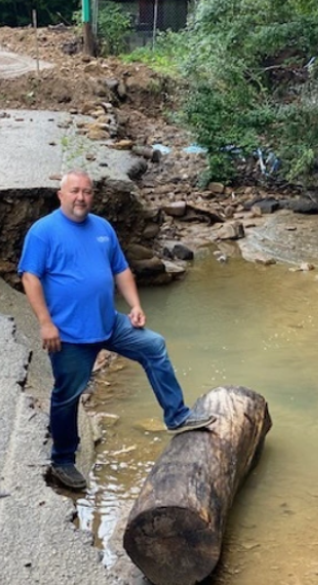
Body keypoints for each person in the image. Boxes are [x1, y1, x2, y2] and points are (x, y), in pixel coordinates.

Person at [18, 169, 215, 491]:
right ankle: (63, 460)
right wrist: (45, 323)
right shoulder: (44, 232)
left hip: (109, 323)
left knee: (154, 346)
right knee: (67, 397)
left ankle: (176, 415)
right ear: (61, 195)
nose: (81, 197)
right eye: (75, 191)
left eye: (87, 192)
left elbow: (121, 269)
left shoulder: (102, 228)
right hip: (69, 335)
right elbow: (30, 277)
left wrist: (135, 306)